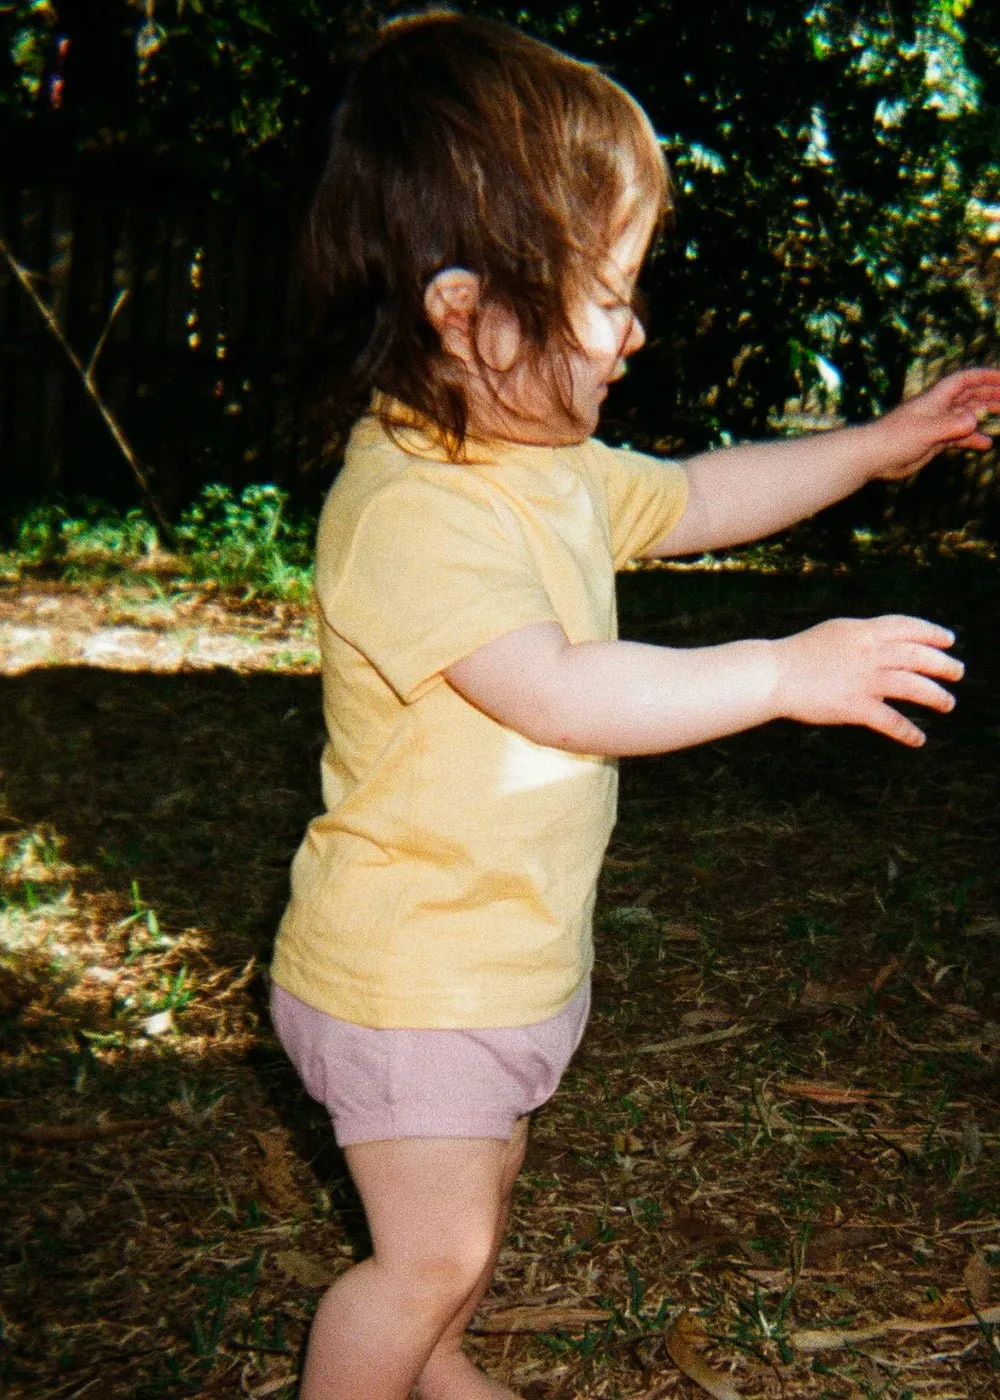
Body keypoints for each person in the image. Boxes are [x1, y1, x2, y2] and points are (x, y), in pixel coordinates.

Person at [269, 11, 1000, 1399]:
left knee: (453, 1251)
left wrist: (879, 445)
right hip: (410, 986)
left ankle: (439, 1376)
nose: (635, 329)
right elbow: (559, 690)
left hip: (497, 964)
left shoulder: (543, 465)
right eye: (611, 292)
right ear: (467, 312)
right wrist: (785, 672)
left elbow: (709, 493)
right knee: (425, 1260)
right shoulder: (411, 511)